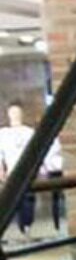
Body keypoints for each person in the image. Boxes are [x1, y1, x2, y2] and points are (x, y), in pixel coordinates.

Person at [0, 100, 37, 239]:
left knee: (29, 199)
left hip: (27, 172)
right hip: (11, 172)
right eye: (13, 112)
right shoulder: (3, 134)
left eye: (17, 112)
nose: (15, 115)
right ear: (8, 114)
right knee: (14, 201)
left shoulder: (30, 132)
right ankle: (18, 228)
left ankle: (27, 228)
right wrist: (1, 170)